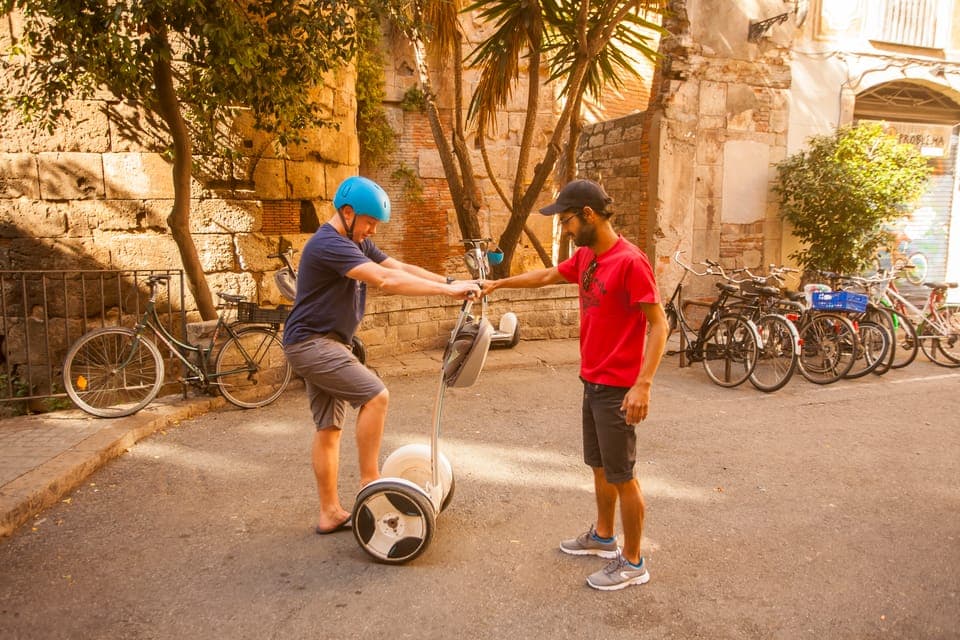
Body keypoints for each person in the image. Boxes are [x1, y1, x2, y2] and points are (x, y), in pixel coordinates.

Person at [481, 179, 668, 591]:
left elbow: (659, 324)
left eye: (566, 220)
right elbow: (548, 275)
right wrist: (498, 284)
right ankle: (603, 537)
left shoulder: (631, 262)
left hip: (619, 388)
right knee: (599, 467)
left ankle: (634, 561)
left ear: (588, 215)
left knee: (623, 475)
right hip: (592, 381)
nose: (564, 229)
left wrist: (644, 384)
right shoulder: (587, 258)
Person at [282, 176, 480, 535]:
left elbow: (399, 269)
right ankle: (370, 483)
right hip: (313, 343)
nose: (372, 230)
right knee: (375, 395)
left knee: (328, 429)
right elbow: (384, 281)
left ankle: (330, 513)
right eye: (369, 222)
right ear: (347, 212)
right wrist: (445, 293)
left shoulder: (355, 241)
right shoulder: (330, 243)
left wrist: (450, 282)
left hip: (324, 343)